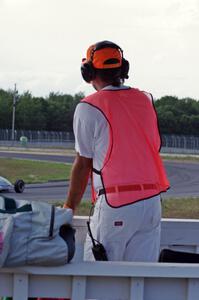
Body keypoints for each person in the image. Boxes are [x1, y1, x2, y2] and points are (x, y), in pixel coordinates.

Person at [64, 40, 170, 262]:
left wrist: (69, 208)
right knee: (140, 284)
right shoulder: (145, 99)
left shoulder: (88, 106)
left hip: (116, 204)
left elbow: (83, 164)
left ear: (89, 72)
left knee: (98, 281)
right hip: (151, 203)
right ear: (123, 69)